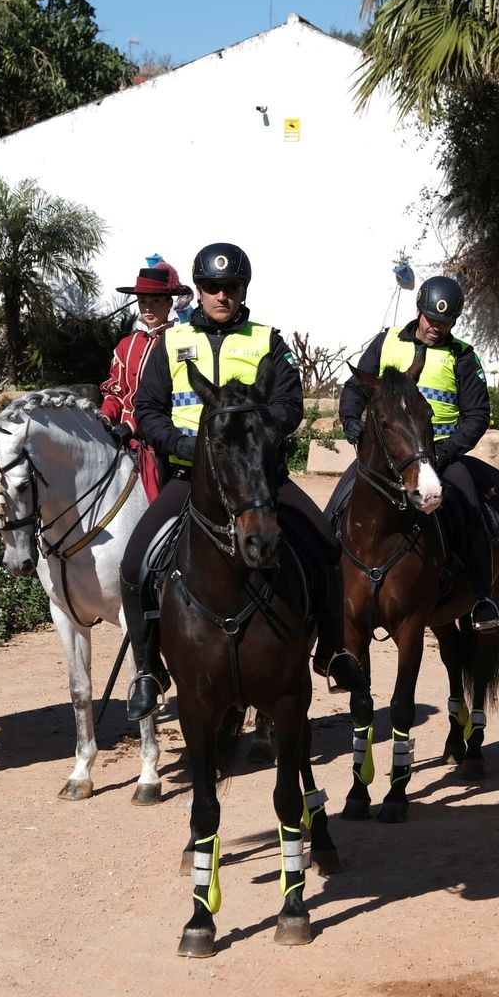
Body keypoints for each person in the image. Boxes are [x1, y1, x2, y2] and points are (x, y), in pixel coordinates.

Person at [117, 242, 364, 721]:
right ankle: (149, 671)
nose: (221, 295)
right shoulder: (170, 342)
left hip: (258, 477)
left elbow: (289, 405)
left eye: (230, 287)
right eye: (212, 287)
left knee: (327, 546)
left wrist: (253, 441)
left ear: (243, 289)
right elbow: (147, 410)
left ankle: (333, 652)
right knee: (133, 564)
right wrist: (188, 446)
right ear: (198, 291)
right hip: (191, 477)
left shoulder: (267, 340)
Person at [333, 275, 499, 631]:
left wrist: (446, 452)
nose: (437, 327)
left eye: (445, 322)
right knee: (335, 507)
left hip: (439, 456)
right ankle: (328, 589)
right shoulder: (387, 341)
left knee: (471, 511)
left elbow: (476, 415)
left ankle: (482, 596)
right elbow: (356, 388)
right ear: (419, 311)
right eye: (431, 319)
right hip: (385, 457)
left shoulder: (463, 356)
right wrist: (351, 422)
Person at [100, 263, 189, 499]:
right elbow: (114, 392)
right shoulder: (126, 345)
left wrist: (132, 426)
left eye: (156, 301)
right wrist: (103, 419)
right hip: (119, 435)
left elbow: (171, 400)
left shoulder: (180, 342)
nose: (148, 308)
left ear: (169, 303)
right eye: (142, 301)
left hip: (158, 437)